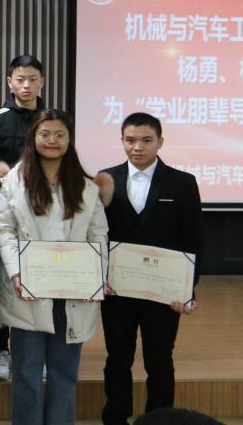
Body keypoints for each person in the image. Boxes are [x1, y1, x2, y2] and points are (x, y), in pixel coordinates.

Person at [0, 109, 108, 425]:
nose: (52, 140)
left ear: (70, 140)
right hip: (27, 289)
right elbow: (4, 229)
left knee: (64, 372)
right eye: (44, 134)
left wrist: (97, 276)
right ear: (33, 138)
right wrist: (16, 272)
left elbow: (99, 234)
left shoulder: (86, 186)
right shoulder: (14, 181)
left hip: (73, 291)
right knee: (26, 372)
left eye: (60, 134)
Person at [96, 112, 204, 425]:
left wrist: (186, 290)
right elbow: (95, 234)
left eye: (146, 140)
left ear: (160, 142)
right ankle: (115, 418)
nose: (137, 147)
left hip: (163, 292)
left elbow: (194, 241)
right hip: (117, 290)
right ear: (122, 141)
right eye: (130, 140)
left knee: (159, 360)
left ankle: (160, 419)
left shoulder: (183, 183)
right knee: (118, 358)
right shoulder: (105, 179)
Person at [0, 53, 46, 381]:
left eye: (33, 79)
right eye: (20, 79)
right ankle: (1, 348)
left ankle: (35, 350)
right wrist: (1, 197)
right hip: (0, 217)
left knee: (39, 279)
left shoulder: (52, 121)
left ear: (42, 82)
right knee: (2, 281)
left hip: (43, 217)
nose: (26, 85)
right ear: (9, 82)